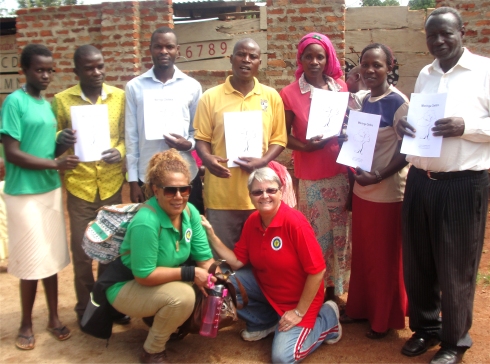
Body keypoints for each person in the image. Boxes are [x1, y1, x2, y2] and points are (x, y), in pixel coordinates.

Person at [396, 7, 490, 364]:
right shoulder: (426, 73)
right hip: (421, 181)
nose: (438, 41)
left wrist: (466, 126)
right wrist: (406, 123)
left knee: (455, 267)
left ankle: (454, 341)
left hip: (463, 186)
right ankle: (426, 328)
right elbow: (420, 118)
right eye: (431, 35)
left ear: (462, 31)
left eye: (445, 33)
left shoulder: (484, 71)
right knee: (418, 262)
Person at [201, 167, 341, 363]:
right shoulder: (253, 221)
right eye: (257, 192)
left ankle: (328, 319)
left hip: (299, 301)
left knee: (283, 358)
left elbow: (318, 271)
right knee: (221, 279)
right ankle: (264, 322)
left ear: (281, 191)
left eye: (271, 190)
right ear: (250, 196)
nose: (264, 196)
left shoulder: (294, 222)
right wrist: (211, 234)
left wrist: (298, 312)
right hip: (269, 290)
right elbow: (237, 261)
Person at [0, 44, 80, 350]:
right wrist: (56, 164)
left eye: (50, 70)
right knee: (31, 260)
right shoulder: (14, 103)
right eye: (39, 70)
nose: (45, 75)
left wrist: (62, 143)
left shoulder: (47, 105)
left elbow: (46, 151)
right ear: (25, 69)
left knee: (50, 257)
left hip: (48, 190)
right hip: (24, 194)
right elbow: (13, 153)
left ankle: (53, 318)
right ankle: (25, 322)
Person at [104, 149, 215, 363]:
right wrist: (191, 273)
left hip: (154, 284)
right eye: (170, 191)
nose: (178, 197)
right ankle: (152, 351)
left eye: (184, 189)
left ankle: (161, 319)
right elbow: (144, 275)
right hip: (125, 286)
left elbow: (205, 258)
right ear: (155, 190)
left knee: (209, 287)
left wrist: (219, 278)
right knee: (183, 296)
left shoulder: (190, 211)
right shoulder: (147, 221)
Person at [52, 44, 127, 324]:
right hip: (80, 185)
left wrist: (120, 151)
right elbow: (53, 141)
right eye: (89, 68)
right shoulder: (62, 101)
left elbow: (123, 137)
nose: (96, 72)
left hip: (111, 185)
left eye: (100, 66)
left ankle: (110, 304)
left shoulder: (118, 98)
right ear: (76, 71)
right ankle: (86, 309)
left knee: (111, 249)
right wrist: (61, 137)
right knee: (83, 252)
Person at [194, 38, 287, 251]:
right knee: (225, 260)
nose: (246, 60)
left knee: (261, 258)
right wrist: (207, 159)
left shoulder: (271, 97)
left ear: (259, 62)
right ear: (231, 59)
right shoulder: (210, 97)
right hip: (221, 195)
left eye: (252, 56)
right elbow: (202, 139)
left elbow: (279, 138)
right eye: (241, 54)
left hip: (261, 195)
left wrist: (263, 161)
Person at [342, 43, 409, 339]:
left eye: (377, 65)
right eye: (364, 64)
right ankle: (361, 308)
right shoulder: (364, 99)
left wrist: (378, 175)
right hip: (363, 191)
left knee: (384, 258)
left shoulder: (398, 103)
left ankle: (383, 319)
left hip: (386, 193)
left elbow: (407, 151)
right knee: (365, 255)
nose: (369, 70)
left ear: (389, 66)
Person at [279, 33, 351, 301]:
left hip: (340, 173)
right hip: (311, 176)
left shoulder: (340, 88)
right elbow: (283, 136)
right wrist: (306, 147)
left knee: (340, 236)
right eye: (308, 56)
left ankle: (337, 292)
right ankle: (317, 293)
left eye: (320, 56)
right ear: (300, 58)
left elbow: (348, 122)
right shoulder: (289, 93)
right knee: (317, 237)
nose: (314, 61)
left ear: (328, 58)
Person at [125, 27, 203, 213]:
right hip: (148, 176)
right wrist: (133, 181)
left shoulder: (192, 86)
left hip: (185, 174)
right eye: (158, 47)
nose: (164, 51)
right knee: (153, 228)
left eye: (169, 47)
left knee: (189, 226)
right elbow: (131, 136)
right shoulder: (135, 87)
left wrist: (188, 144)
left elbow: (199, 131)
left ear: (178, 50)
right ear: (150, 49)